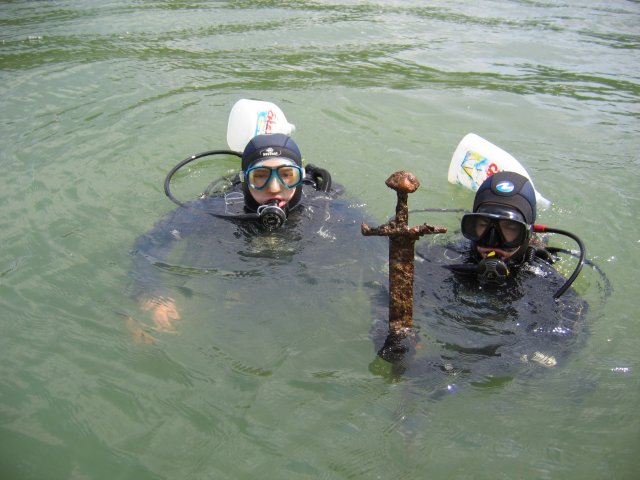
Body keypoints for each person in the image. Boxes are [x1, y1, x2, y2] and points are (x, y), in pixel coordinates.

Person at [128, 133, 385, 336]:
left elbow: (385, 257)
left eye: (287, 175)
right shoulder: (216, 210)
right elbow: (148, 246)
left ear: (299, 177)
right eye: (260, 176)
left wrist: (385, 316)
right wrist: (151, 295)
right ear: (245, 181)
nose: (274, 188)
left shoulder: (333, 213)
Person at [370, 171, 591, 387]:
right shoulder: (442, 257)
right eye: (483, 226)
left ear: (527, 234)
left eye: (510, 229)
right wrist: (393, 335)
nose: (492, 241)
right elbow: (387, 294)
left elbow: (559, 343)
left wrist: (457, 368)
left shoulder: (547, 285)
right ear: (471, 226)